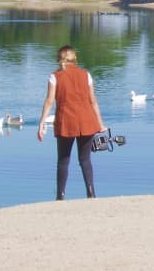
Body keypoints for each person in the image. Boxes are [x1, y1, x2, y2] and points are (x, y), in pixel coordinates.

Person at [37, 45, 106, 200]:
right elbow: (93, 101)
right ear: (75, 59)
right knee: (85, 159)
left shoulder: (55, 76)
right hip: (87, 120)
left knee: (63, 160)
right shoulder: (86, 75)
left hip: (65, 121)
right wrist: (100, 124)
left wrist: (41, 123)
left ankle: (60, 196)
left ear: (59, 59)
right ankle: (91, 193)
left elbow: (49, 102)